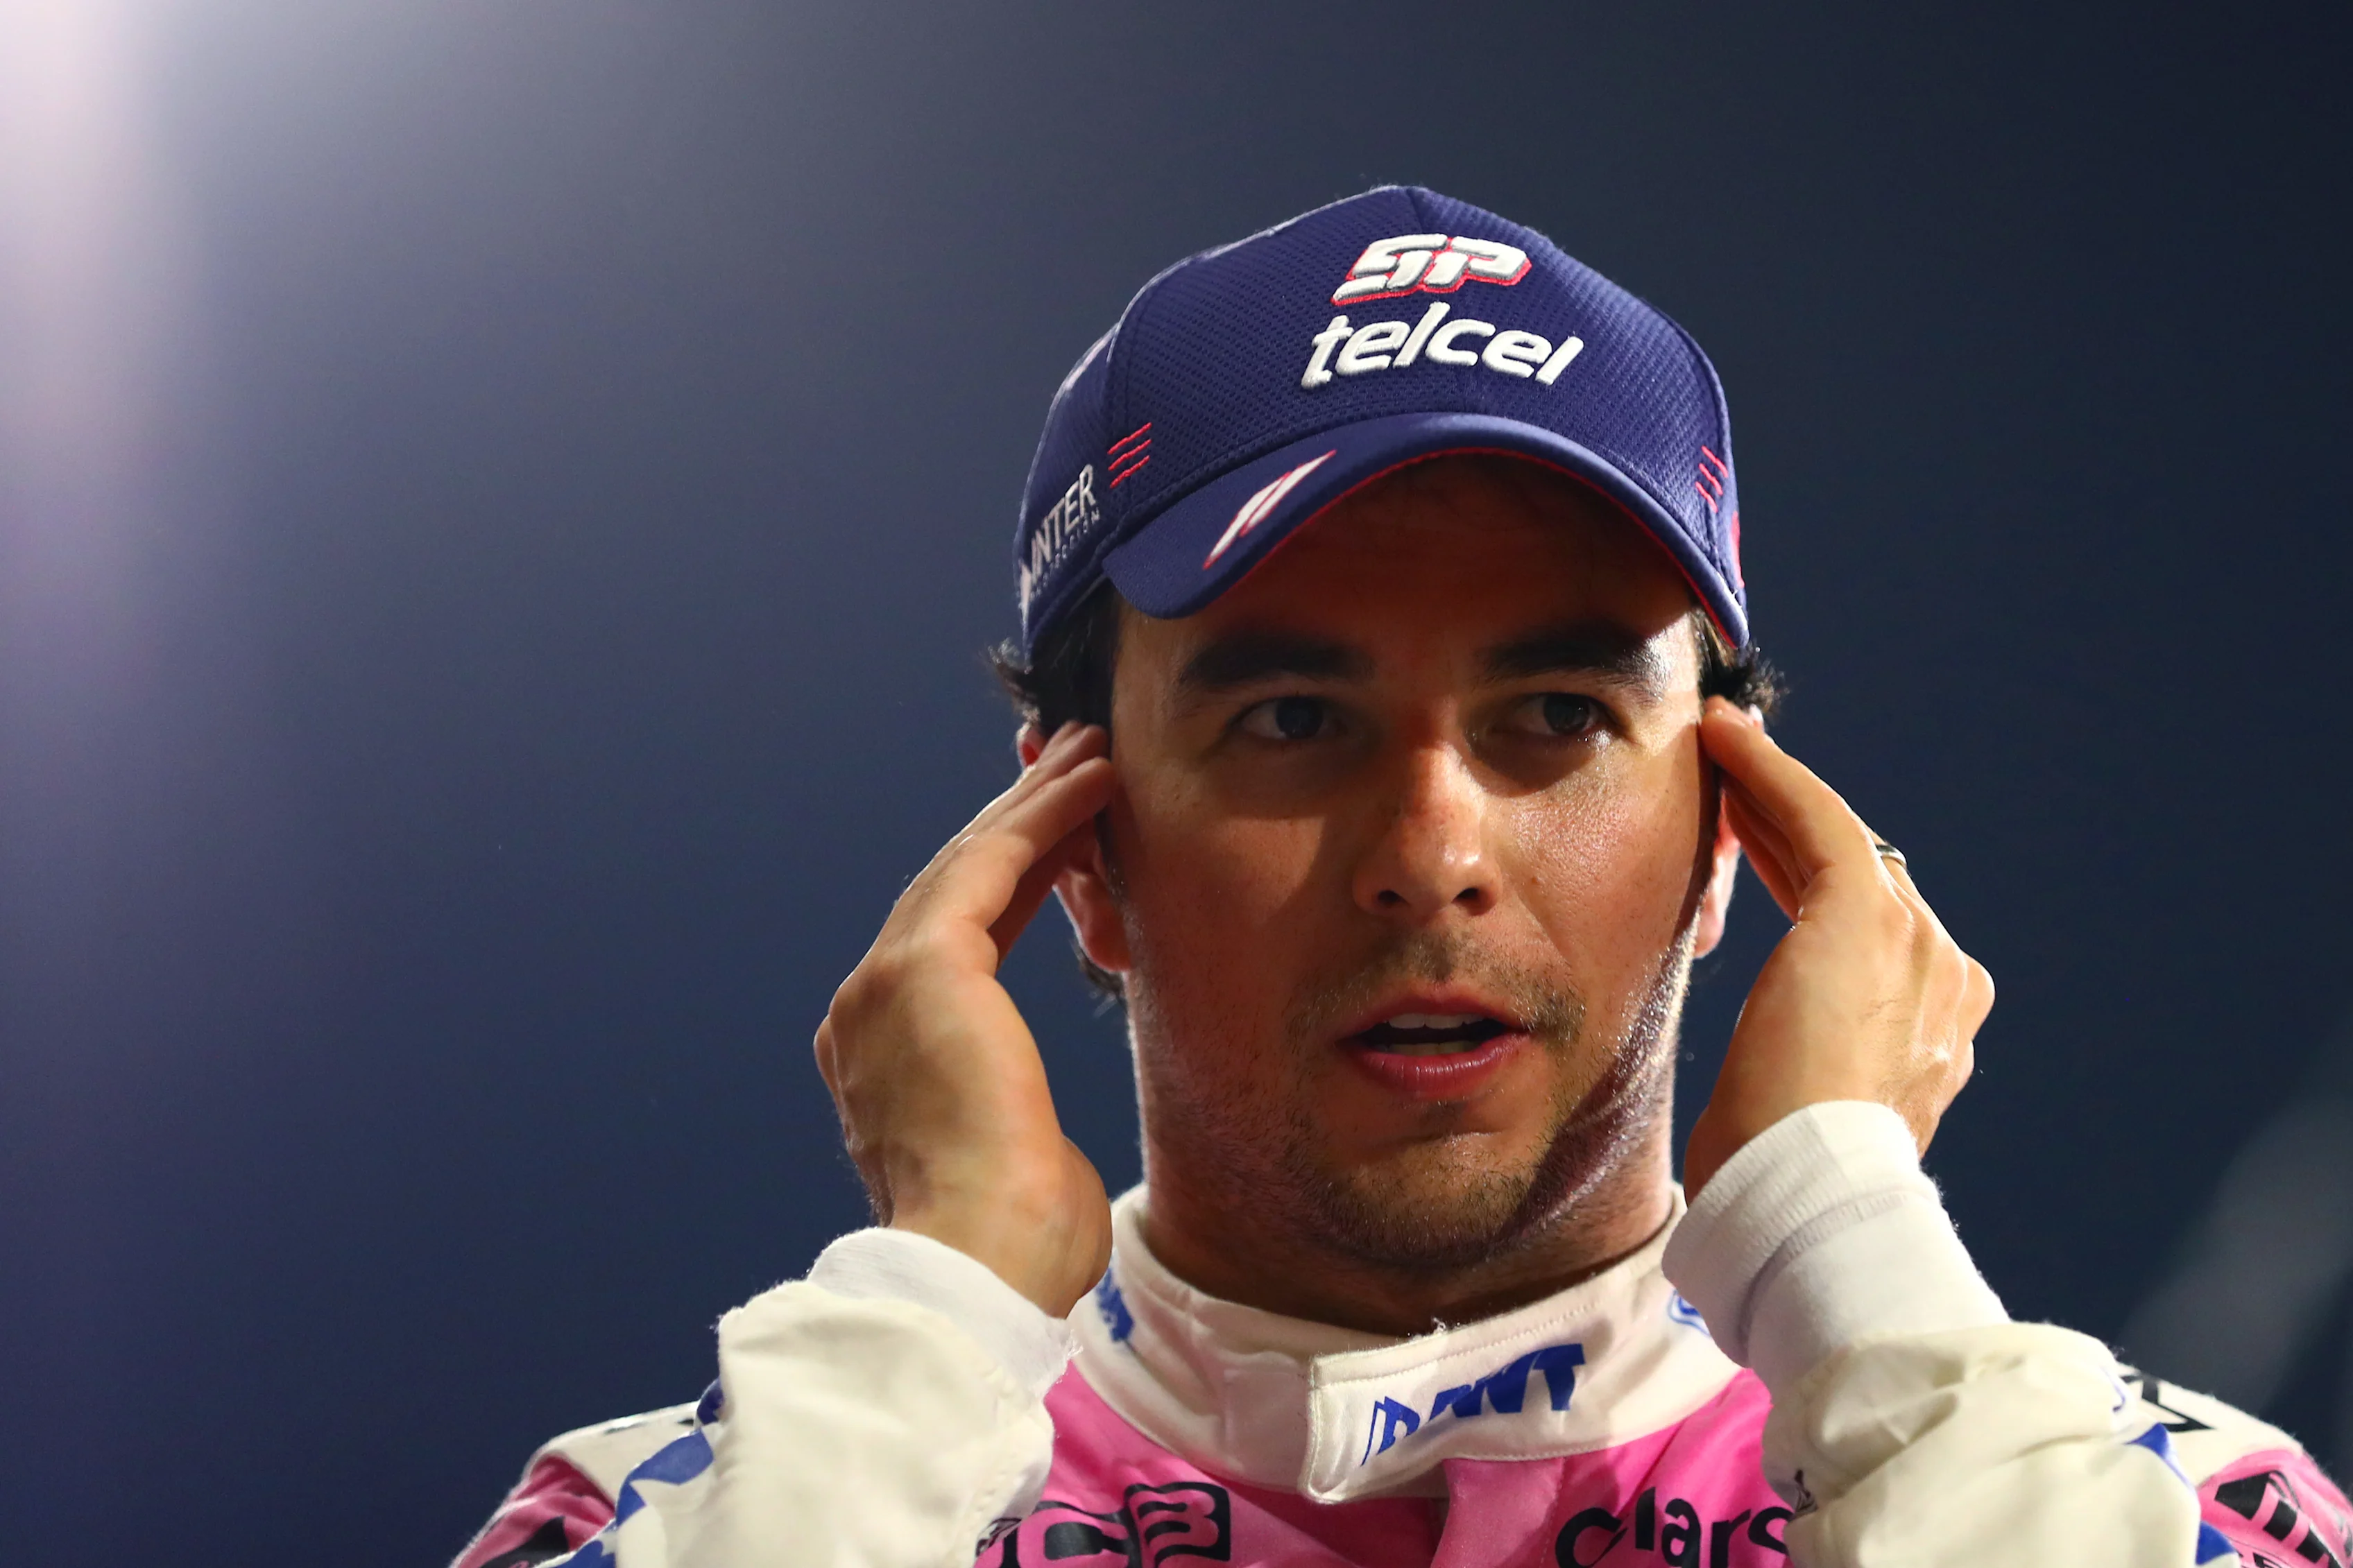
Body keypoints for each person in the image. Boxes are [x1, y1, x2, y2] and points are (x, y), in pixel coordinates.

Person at [452, 187, 2349, 1568]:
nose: (1433, 856)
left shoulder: (2188, 1505)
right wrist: (928, 1314)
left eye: (1554, 714)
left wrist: (1851, 1257)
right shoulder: (704, 1506)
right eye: (1291, 718)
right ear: (1079, 849)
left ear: (1733, 834)